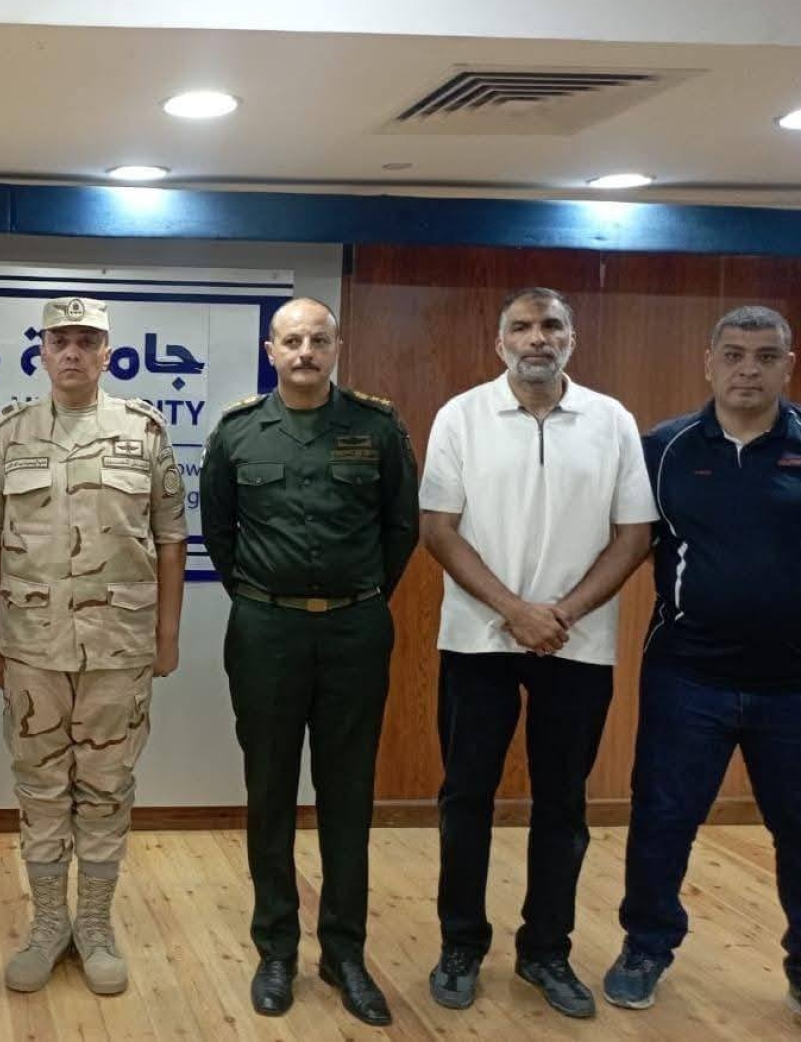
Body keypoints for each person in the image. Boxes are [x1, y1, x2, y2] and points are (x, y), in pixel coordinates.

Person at [420, 287, 656, 1019]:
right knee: (466, 797)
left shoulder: (612, 420)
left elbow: (634, 535)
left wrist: (562, 613)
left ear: (571, 339)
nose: (536, 338)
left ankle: (546, 950)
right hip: (477, 640)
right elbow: (438, 528)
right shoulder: (461, 415)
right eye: (521, 327)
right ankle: (461, 943)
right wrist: (514, 610)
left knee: (563, 802)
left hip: (576, 645)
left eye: (551, 325)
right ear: (500, 344)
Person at [199, 296, 419, 1027]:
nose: (304, 352)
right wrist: (267, 597)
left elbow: (401, 528)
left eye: (318, 340)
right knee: (268, 791)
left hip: (356, 629)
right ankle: (276, 948)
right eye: (291, 340)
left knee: (348, 794)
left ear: (336, 347)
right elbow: (219, 532)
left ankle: (345, 953)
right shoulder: (238, 432)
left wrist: (357, 597)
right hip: (265, 629)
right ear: (271, 350)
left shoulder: (376, 428)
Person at [0, 296, 187, 996]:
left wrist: (166, 637)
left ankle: (93, 925)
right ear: (41, 351)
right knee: (39, 789)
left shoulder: (144, 431)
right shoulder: (9, 433)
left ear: (107, 353)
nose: (72, 352)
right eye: (59, 340)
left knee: (105, 788)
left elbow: (171, 538)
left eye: (86, 341)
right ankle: (48, 925)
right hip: (32, 649)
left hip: (118, 650)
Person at [604, 305, 801, 1014]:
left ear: (788, 365)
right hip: (688, 676)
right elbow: (628, 543)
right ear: (709, 363)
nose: (749, 369)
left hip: (793, 687)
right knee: (663, 819)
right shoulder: (664, 449)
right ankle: (646, 947)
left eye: (766, 356)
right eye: (735, 354)